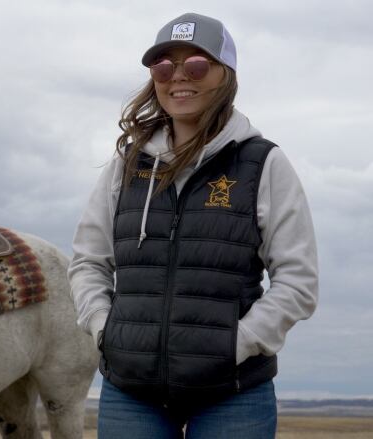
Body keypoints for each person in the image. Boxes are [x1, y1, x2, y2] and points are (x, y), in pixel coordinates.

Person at [68, 12, 318, 438]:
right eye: (164, 67)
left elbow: (298, 280)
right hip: (131, 390)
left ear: (226, 75)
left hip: (234, 390)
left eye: (197, 64)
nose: (179, 76)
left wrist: (236, 344)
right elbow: (89, 262)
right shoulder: (127, 165)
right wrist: (104, 329)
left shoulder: (262, 163)